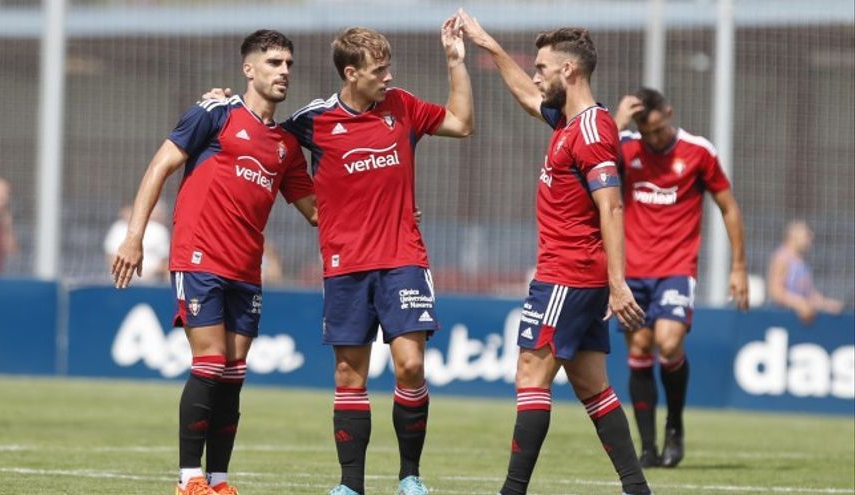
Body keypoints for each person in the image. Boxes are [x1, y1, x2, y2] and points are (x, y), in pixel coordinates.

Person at [112, 29, 317, 495]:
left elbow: (317, 213)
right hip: (199, 258)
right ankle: (189, 480)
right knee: (210, 362)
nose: (283, 71)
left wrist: (377, 204)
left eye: (288, 63)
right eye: (273, 62)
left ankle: (220, 481)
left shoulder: (286, 145)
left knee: (234, 372)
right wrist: (134, 237)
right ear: (249, 69)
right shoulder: (215, 112)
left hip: (247, 269)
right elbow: (160, 165)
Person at [457, 10, 651, 495]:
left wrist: (618, 281)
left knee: (531, 373)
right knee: (591, 385)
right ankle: (637, 489)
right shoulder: (572, 120)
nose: (537, 74)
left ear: (569, 71)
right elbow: (527, 94)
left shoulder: (588, 133)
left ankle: (512, 491)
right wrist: (488, 44)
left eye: (542, 66)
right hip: (576, 275)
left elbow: (612, 207)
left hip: (568, 274)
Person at [282, 21, 472, 495]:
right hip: (345, 266)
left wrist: (455, 61)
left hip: (402, 257)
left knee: (410, 365)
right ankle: (351, 486)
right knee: (349, 372)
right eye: (379, 70)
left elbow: (462, 123)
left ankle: (410, 476)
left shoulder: (402, 107)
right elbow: (274, 153)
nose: (387, 77)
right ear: (351, 73)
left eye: (388, 68)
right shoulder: (313, 120)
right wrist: (310, 209)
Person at [613, 88, 749, 469]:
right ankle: (648, 446)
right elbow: (587, 159)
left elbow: (728, 206)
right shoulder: (624, 147)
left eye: (657, 130)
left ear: (669, 113)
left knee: (668, 344)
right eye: (645, 133)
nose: (652, 139)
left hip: (676, 268)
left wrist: (738, 266)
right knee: (639, 350)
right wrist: (620, 123)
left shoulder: (698, 152)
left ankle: (675, 425)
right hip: (632, 271)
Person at [767, 220, 844, 324]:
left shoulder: (801, 261)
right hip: (783, 318)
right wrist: (799, 304)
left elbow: (808, 293)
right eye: (807, 234)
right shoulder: (782, 257)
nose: (811, 237)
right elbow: (775, 292)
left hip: (800, 319)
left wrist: (826, 304)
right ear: (793, 236)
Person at [104, 201, 170, 283]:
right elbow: (112, 257)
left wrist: (149, 273)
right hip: (124, 279)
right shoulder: (118, 228)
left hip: (153, 280)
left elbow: (165, 261)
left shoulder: (159, 230)